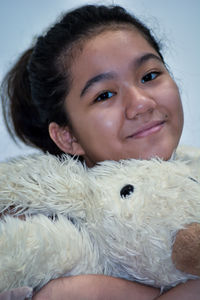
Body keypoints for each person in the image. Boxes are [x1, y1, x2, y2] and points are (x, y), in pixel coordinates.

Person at [1, 4, 200, 300]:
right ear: (67, 137)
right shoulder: (49, 233)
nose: (141, 103)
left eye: (149, 75)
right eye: (104, 95)